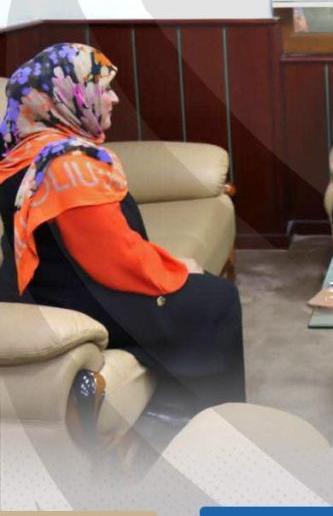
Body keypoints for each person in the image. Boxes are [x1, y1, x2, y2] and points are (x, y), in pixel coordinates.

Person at [0, 43, 245, 414]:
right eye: (103, 89)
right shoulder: (69, 168)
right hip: (79, 297)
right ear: (65, 97)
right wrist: (179, 270)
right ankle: (201, 417)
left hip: (42, 287)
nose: (114, 99)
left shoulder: (22, 150)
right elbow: (117, 263)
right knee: (216, 299)